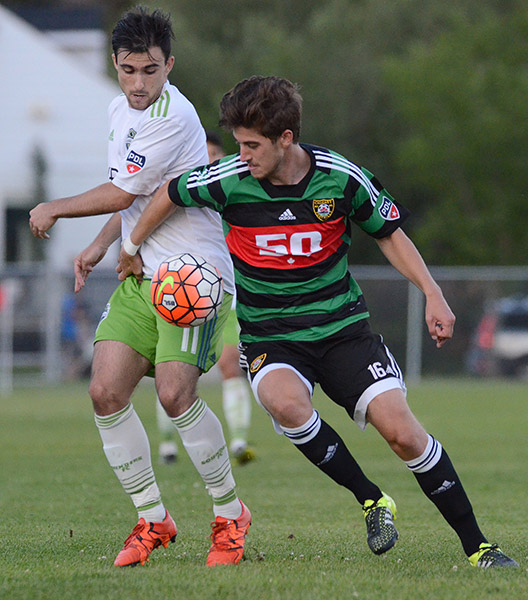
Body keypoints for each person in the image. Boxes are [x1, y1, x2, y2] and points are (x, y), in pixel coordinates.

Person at [117, 75, 518, 569]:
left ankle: (478, 545)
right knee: (285, 404)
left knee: (404, 435)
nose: (242, 154)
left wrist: (432, 293)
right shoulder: (227, 178)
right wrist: (130, 247)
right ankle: (372, 500)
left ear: (286, 139)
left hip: (343, 331)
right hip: (272, 337)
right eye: (238, 143)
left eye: (252, 145)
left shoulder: (340, 177)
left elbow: (390, 234)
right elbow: (170, 193)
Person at [28, 7, 250, 568]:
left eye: (150, 71)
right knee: (104, 392)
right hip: (138, 272)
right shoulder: (116, 109)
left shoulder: (174, 116)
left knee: (175, 396)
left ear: (169, 65)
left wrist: (56, 208)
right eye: (128, 70)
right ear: (115, 64)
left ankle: (229, 515)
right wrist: (105, 244)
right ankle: (154, 519)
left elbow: (124, 194)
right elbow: (132, 190)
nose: (138, 84)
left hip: (191, 276)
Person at [156, 130, 255, 466]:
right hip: (183, 294)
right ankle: (168, 442)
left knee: (230, 364)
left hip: (226, 294)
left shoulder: (234, 193)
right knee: (171, 368)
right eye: (205, 155)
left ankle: (239, 440)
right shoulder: (183, 194)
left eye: (216, 155)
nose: (210, 161)